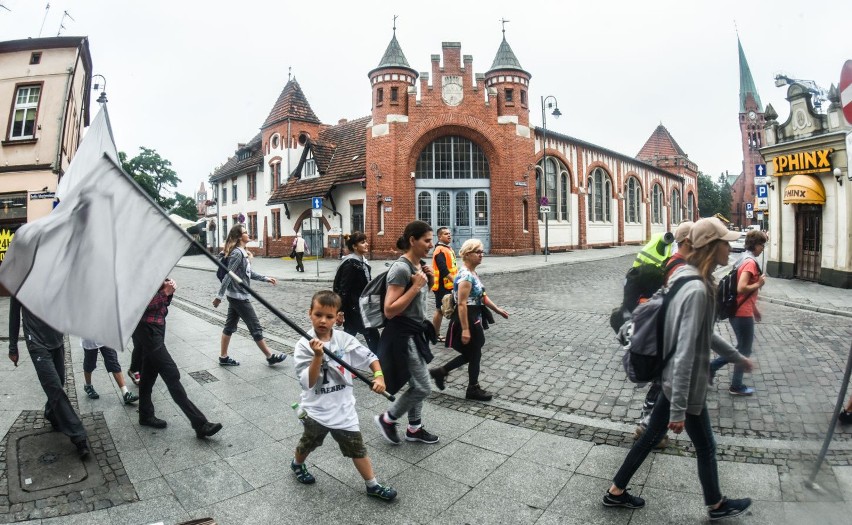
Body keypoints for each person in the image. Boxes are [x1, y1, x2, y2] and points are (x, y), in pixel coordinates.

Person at [603, 217, 755, 521]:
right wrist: (678, 410)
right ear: (713, 246)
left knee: (655, 438)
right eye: (725, 241)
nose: (730, 246)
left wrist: (737, 357)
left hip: (676, 383)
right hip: (684, 385)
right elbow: (686, 348)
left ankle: (616, 491)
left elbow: (702, 334)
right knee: (705, 446)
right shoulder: (697, 288)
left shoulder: (684, 277)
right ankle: (715, 505)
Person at [290, 290, 397, 501]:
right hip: (316, 411)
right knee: (308, 443)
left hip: (344, 410)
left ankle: (372, 485)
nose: (323, 320)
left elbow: (370, 358)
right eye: (318, 314)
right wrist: (318, 357)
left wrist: (379, 377)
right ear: (310, 313)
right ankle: (297, 464)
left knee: (357, 448)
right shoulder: (304, 345)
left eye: (329, 316)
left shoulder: (344, 340)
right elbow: (308, 382)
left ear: (338, 317)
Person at [373, 220, 439, 446]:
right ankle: (388, 419)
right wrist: (415, 287)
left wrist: (427, 280)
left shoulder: (418, 266)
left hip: (415, 333)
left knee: (416, 384)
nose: (431, 245)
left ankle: (414, 428)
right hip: (403, 336)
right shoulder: (401, 269)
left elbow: (416, 301)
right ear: (413, 240)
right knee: (422, 387)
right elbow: (390, 310)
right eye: (427, 240)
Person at [134, 278, 223, 439]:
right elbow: (136, 307)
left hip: (157, 328)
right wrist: (164, 293)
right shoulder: (138, 274)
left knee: (148, 375)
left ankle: (145, 415)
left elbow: (162, 306)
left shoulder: (155, 270)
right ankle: (200, 424)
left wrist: (168, 292)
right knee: (171, 373)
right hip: (147, 330)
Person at [634, 220, 693, 448]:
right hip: (669, 336)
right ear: (689, 240)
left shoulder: (674, 261)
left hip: (665, 334)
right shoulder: (679, 267)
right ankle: (648, 429)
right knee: (663, 384)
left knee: (661, 384)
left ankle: (648, 427)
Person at [9, 297, 90, 459]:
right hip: (36, 343)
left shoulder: (54, 275)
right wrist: (13, 347)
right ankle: (78, 436)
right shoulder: (20, 280)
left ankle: (51, 413)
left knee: (58, 381)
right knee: (54, 389)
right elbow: (14, 316)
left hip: (56, 339)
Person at [430, 239, 508, 401]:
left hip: (474, 317)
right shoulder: (465, 276)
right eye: (477, 252)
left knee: (473, 354)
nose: (481, 255)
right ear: (467, 255)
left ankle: (443, 373)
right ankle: (471, 387)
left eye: (482, 251)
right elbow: (462, 304)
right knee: (473, 354)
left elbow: (482, 297)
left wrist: (498, 310)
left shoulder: (472, 273)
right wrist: (465, 329)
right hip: (467, 318)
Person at [213, 224, 286, 367]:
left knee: (229, 326)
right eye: (246, 232)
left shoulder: (242, 252)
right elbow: (229, 275)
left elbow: (248, 273)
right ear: (240, 236)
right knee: (255, 327)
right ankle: (270, 356)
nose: (248, 234)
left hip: (236, 295)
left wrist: (265, 278)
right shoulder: (237, 253)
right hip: (238, 296)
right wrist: (218, 297)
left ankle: (223, 357)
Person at [709, 230, 768, 396]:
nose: (763, 248)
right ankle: (735, 384)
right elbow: (741, 288)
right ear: (755, 244)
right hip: (742, 313)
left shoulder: (744, 258)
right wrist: (759, 283)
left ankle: (715, 369)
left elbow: (744, 293)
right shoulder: (750, 262)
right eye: (761, 244)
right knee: (744, 350)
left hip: (741, 310)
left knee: (741, 347)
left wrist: (755, 309)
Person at [332, 232, 379, 353]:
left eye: (366, 241)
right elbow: (343, 289)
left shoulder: (362, 262)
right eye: (362, 242)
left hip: (361, 305)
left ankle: (338, 359)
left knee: (349, 335)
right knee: (371, 334)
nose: (366, 244)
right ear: (354, 246)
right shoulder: (351, 264)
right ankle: (380, 364)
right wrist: (340, 311)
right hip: (355, 307)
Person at [81, 339, 139, 405]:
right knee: (89, 364)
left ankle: (125, 393)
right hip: (89, 339)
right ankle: (88, 386)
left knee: (113, 362)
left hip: (105, 337)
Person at [431, 227, 457, 341]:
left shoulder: (447, 248)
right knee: (439, 310)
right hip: (442, 285)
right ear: (439, 237)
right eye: (446, 234)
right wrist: (456, 282)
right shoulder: (439, 250)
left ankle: (455, 332)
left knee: (451, 308)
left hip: (448, 284)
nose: (449, 235)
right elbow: (443, 270)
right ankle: (435, 335)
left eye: (450, 234)